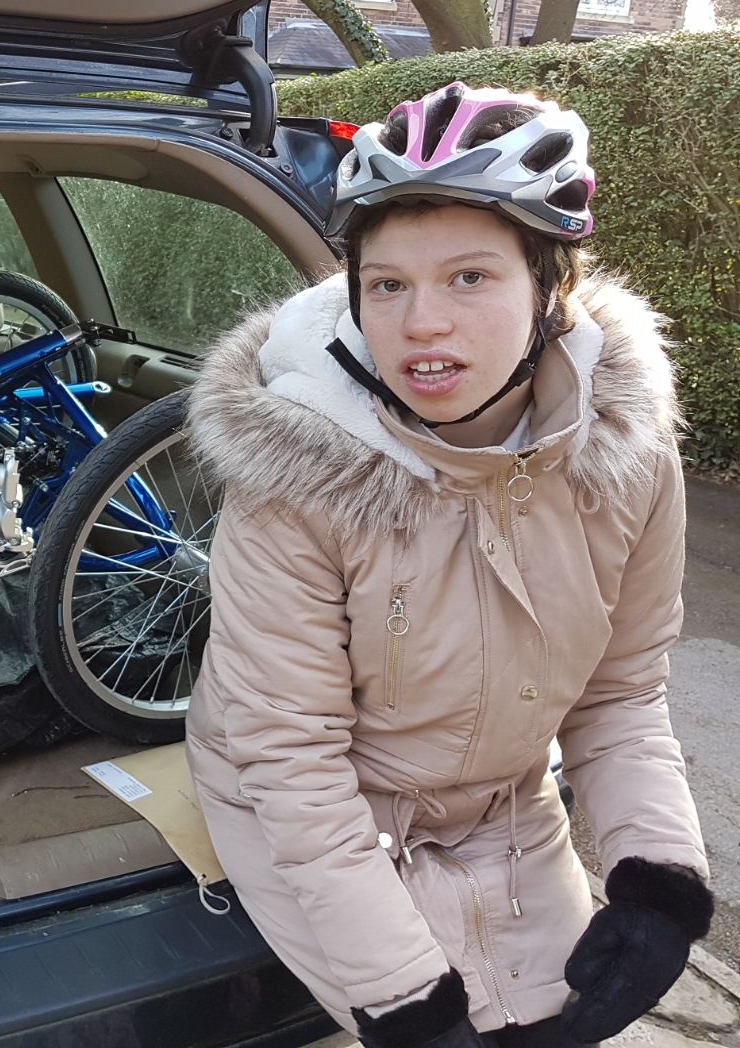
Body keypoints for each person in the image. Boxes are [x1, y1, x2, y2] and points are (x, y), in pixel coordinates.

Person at [184, 81, 712, 1048]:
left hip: (501, 794)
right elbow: (290, 760)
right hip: (310, 803)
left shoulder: (627, 451)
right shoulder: (295, 473)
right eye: (387, 285)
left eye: (470, 278)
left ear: (552, 291)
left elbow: (621, 691)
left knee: (564, 1022)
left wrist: (658, 878)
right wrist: (403, 995)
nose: (422, 323)